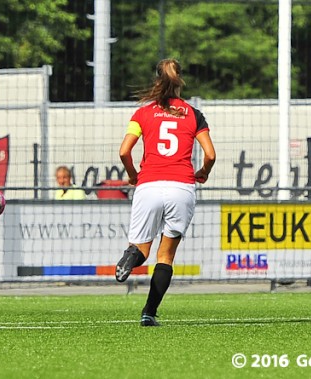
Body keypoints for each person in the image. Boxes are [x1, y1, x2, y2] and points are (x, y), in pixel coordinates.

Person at [114, 58, 216, 327]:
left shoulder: (143, 114)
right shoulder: (193, 114)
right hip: (181, 186)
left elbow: (124, 151)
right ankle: (149, 313)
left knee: (141, 249)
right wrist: (203, 172)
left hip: (149, 185)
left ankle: (130, 257)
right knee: (166, 257)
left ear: (157, 80)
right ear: (180, 80)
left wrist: (134, 176)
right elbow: (210, 154)